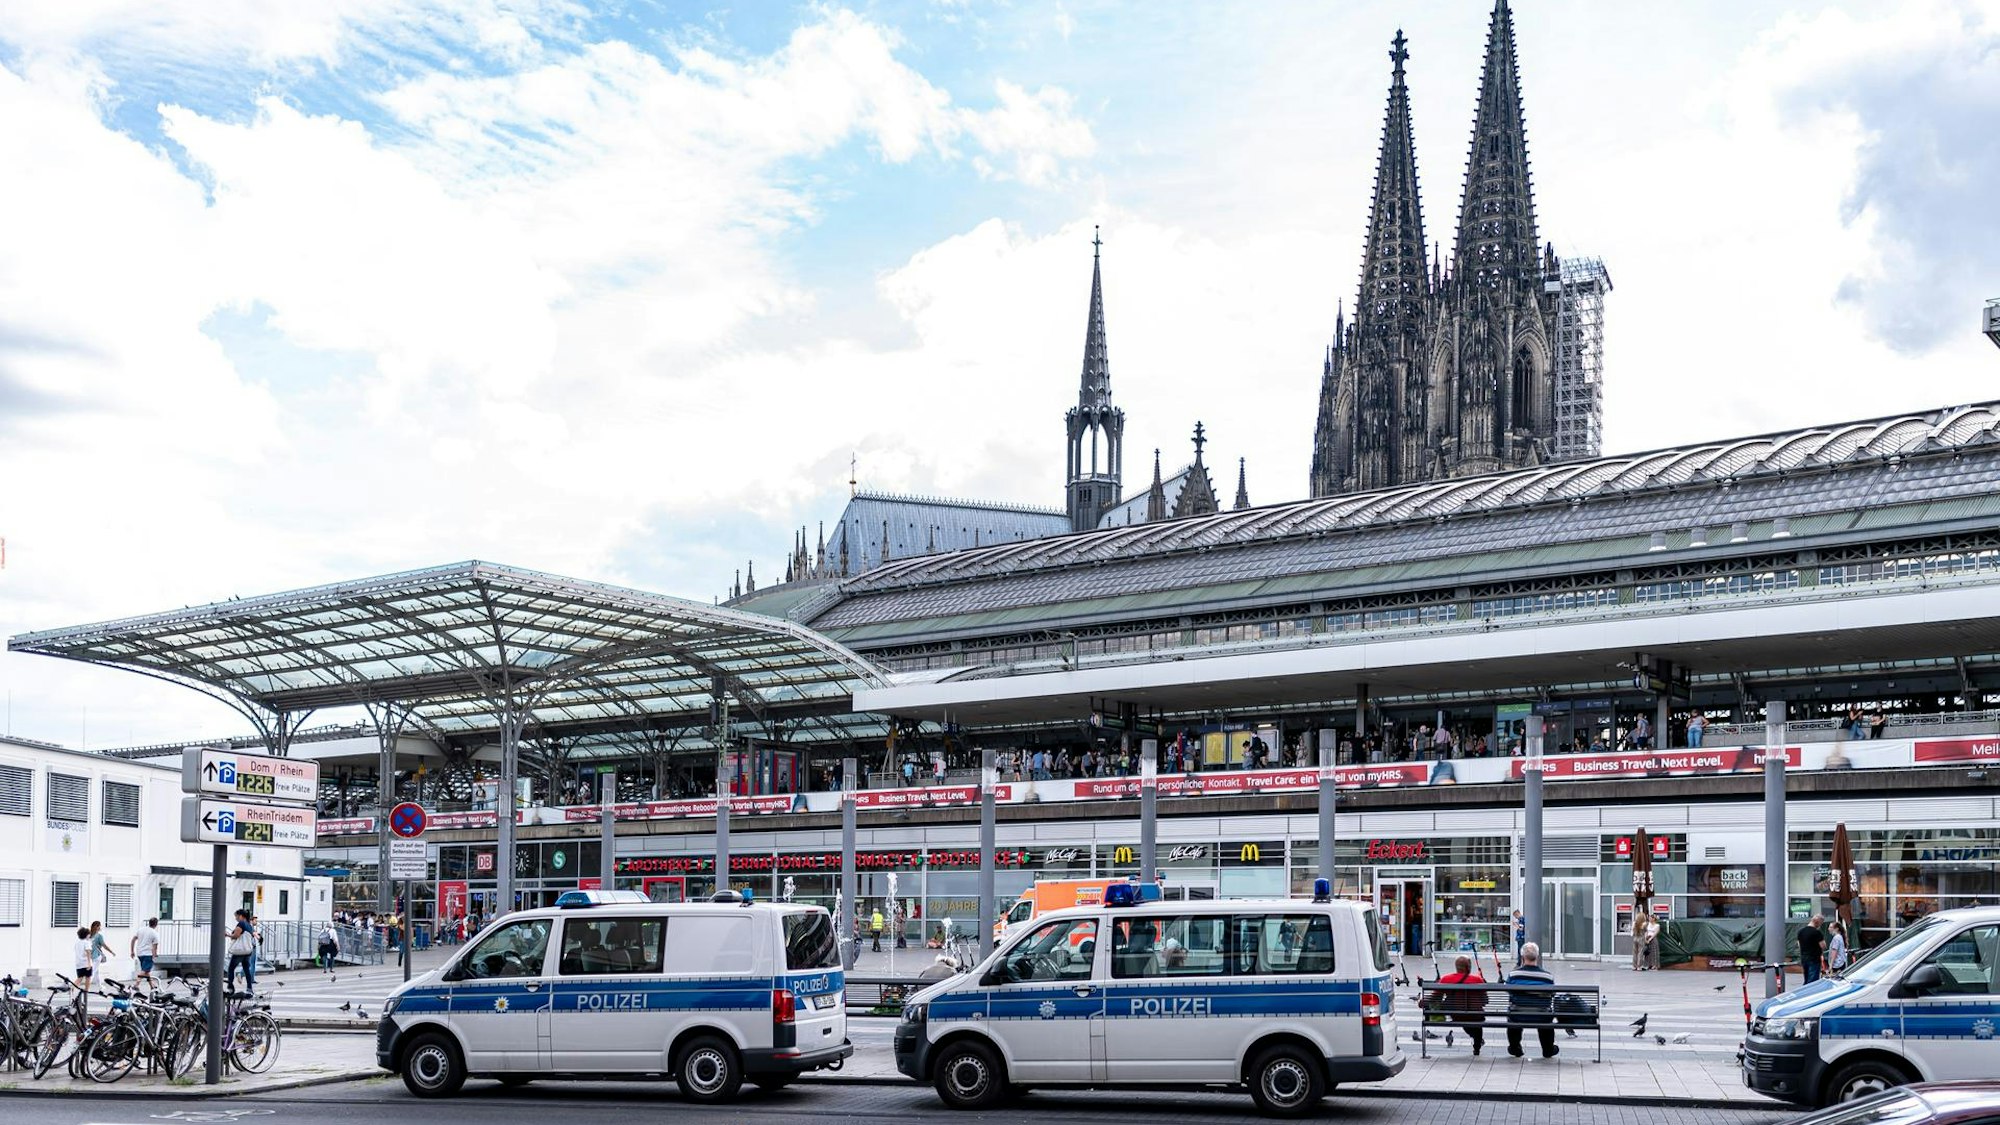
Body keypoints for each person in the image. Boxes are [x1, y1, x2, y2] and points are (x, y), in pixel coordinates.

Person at [1505, 942, 1559, 1058]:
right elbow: (1552, 993)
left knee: (1512, 1015)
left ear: (1522, 957)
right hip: (1541, 1015)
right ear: (1537, 956)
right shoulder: (1547, 977)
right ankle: (1548, 1048)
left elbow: (1509, 991)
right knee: (1546, 1015)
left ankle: (1515, 1047)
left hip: (1517, 1014)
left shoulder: (1514, 975)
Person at [1436, 954, 1488, 1056]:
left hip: (1456, 1015)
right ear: (1468, 967)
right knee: (1475, 1021)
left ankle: (1476, 1041)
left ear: (1456, 967)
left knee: (1464, 1018)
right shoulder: (1477, 980)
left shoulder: (1446, 979)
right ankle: (1477, 1046)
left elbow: (1435, 997)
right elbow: (1485, 1000)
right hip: (1475, 1015)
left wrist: (1422, 1002)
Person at [227, 909, 258, 992]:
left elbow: (236, 935)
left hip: (239, 951)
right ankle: (249, 988)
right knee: (246, 969)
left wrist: (227, 935)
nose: (236, 918)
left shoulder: (241, 923)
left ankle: (230, 987)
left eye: (236, 916)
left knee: (231, 968)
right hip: (247, 951)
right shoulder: (249, 925)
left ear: (241, 916)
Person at [131, 917, 161, 991]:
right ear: (156, 924)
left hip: (140, 953)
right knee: (144, 970)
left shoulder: (141, 930)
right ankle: (136, 984)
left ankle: (152, 985)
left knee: (146, 971)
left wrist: (132, 951)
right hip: (148, 954)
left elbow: (133, 939)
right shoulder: (154, 933)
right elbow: (155, 946)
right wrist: (154, 955)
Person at [1797, 914, 1826, 985]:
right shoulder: (1817, 932)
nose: (1820, 925)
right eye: (1821, 923)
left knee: (1806, 978)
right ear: (1818, 922)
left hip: (1804, 958)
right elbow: (1823, 946)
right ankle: (1810, 994)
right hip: (1814, 959)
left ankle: (1804, 993)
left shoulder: (1800, 931)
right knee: (1813, 981)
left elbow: (1799, 945)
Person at [73, 926, 96, 996]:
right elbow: (88, 952)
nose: (89, 935)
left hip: (78, 963)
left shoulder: (77, 943)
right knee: (88, 977)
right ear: (86, 935)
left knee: (79, 978)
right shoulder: (86, 942)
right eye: (89, 934)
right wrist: (89, 963)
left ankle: (72, 988)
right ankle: (86, 990)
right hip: (86, 963)